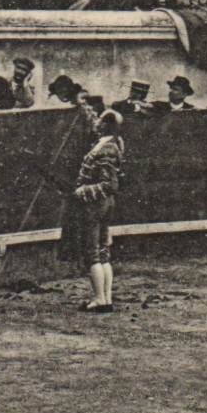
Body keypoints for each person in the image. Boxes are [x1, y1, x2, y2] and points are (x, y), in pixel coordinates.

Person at [74, 108, 125, 313]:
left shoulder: (105, 148)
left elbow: (108, 184)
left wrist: (82, 191)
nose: (95, 123)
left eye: (99, 120)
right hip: (107, 203)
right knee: (103, 250)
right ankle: (106, 299)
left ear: (105, 125)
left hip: (96, 203)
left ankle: (98, 298)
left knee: (93, 252)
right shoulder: (113, 144)